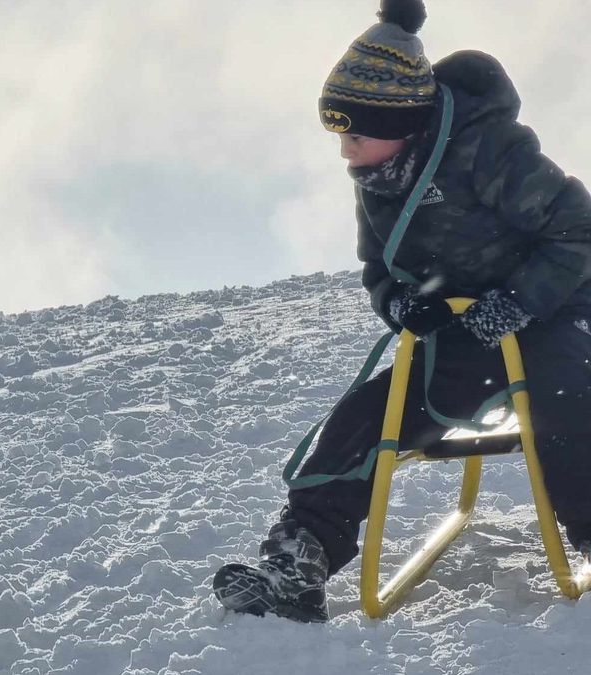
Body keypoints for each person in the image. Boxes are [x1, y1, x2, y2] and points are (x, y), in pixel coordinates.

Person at [212, 0, 591, 623]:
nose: (345, 152)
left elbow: (576, 231)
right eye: (340, 136)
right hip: (465, 332)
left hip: (555, 312)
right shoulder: (381, 180)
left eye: (356, 135)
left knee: (563, 399)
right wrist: (404, 305)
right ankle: (298, 561)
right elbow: (379, 270)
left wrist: (518, 302)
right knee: (367, 416)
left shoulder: (490, 152)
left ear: (404, 120)